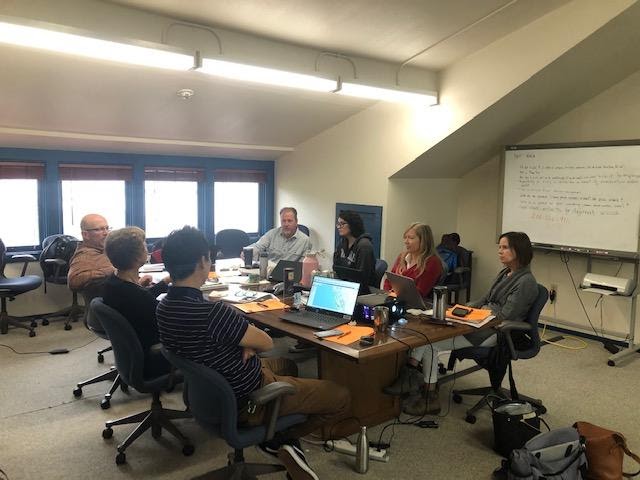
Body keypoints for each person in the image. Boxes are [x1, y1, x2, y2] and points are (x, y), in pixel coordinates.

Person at [157, 226, 350, 480]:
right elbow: (267, 342)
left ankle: (278, 434)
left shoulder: (164, 307)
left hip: (209, 395)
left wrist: (243, 341)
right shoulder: (214, 314)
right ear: (203, 262)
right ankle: (282, 441)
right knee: (340, 396)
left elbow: (233, 342)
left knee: (288, 367)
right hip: (247, 400)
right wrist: (248, 340)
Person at [385, 231, 538, 416]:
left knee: (430, 342)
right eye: (499, 247)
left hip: (496, 332)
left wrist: (473, 314)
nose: (500, 251)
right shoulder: (506, 272)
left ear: (519, 251)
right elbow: (485, 298)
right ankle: (414, 379)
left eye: (505, 247)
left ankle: (427, 394)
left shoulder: (526, 282)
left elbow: (505, 315)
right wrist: (462, 309)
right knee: (428, 334)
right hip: (479, 321)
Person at [102, 227, 171, 377]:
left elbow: (141, 299)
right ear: (136, 257)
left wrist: (164, 283)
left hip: (136, 353)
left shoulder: (114, 283)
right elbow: (168, 321)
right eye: (144, 245)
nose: (147, 248)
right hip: (155, 360)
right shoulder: (136, 295)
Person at [383, 222, 444, 298]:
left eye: (411, 238)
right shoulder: (402, 257)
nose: (406, 242)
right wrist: (388, 294)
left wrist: (394, 293)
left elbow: (419, 293)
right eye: (405, 237)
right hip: (395, 300)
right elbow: (389, 280)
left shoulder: (432, 262)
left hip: (416, 307)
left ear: (423, 241)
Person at [67, 214, 116, 291]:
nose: (106, 233)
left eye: (107, 228)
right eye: (99, 229)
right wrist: (109, 270)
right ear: (85, 235)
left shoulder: (104, 249)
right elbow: (73, 282)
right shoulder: (84, 255)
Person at [245, 207, 312, 263]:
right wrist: (247, 252)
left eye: (289, 221)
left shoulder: (305, 241)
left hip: (290, 275)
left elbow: (303, 266)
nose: (286, 224)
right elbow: (258, 246)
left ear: (296, 222)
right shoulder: (272, 234)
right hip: (269, 273)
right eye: (283, 221)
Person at [333, 210, 377, 287]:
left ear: (352, 224)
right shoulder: (342, 243)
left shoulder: (364, 246)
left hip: (360, 290)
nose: (338, 227)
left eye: (342, 224)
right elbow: (336, 268)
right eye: (338, 224)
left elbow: (363, 277)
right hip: (344, 285)